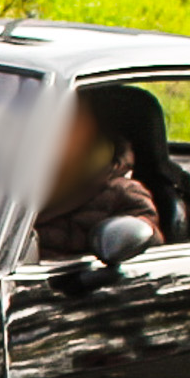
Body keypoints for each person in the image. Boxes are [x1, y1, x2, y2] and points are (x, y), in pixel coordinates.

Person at [35, 91, 164, 259]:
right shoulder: (2, 182)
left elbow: (145, 247)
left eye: (66, 121)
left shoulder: (121, 195)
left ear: (94, 130)